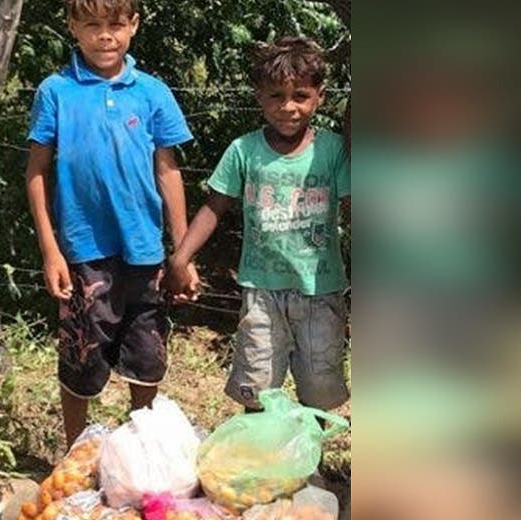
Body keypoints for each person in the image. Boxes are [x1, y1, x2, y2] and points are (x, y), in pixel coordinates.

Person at [25, 0, 200, 447]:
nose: (105, 36)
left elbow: (168, 171)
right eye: (92, 25)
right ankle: (75, 456)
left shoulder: (152, 92)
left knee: (147, 353)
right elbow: (37, 172)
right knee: (81, 358)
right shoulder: (56, 91)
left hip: (144, 249)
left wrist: (181, 253)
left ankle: (142, 452)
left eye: (116, 24)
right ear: (72, 27)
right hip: (83, 251)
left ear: (134, 26)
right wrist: (51, 250)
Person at [165, 36, 351, 413]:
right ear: (258, 97)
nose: (288, 107)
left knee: (318, 390)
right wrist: (179, 258)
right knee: (257, 388)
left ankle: (305, 467)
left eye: (300, 95)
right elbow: (214, 206)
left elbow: (354, 208)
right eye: (275, 96)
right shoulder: (244, 151)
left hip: (320, 290)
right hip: (260, 293)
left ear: (320, 97)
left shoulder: (332, 151)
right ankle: (264, 470)